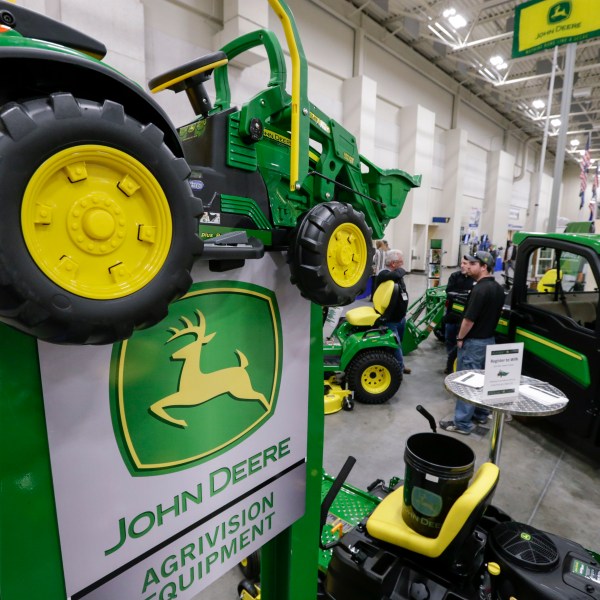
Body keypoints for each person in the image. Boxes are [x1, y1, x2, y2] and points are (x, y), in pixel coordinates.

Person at [440, 251, 505, 434]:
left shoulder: (479, 289)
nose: (467, 266)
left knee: (466, 383)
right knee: (482, 380)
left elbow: (469, 320)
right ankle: (481, 413)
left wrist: (460, 338)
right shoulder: (498, 289)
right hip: (489, 341)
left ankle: (462, 424)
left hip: (473, 342)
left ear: (484, 267)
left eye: (472, 264)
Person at [375, 249, 411, 374]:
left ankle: (397, 365)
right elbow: (397, 275)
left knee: (399, 343)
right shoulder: (383, 274)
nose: (403, 264)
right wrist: (401, 271)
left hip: (399, 318)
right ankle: (399, 370)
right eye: (401, 262)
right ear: (393, 263)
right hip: (390, 319)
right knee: (396, 346)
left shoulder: (396, 273)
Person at [443, 257, 475, 374]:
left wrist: (458, 294)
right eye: (461, 262)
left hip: (465, 318)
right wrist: (466, 294)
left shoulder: (474, 279)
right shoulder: (454, 276)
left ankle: (457, 362)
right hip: (452, 315)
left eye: (465, 263)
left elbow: (473, 297)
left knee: (462, 341)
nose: (462, 265)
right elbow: (449, 292)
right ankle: (450, 360)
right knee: (449, 338)